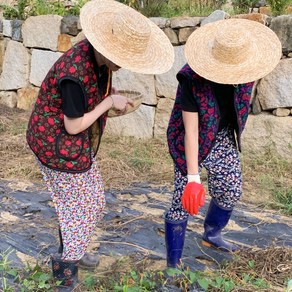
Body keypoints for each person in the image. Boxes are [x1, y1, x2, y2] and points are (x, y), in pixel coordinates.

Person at [26, 0, 174, 289]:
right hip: (56, 144)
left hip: (74, 145)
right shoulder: (74, 71)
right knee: (79, 207)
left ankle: (73, 248)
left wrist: (109, 93)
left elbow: (89, 97)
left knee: (91, 202)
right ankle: (65, 270)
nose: (124, 64)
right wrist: (107, 102)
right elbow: (73, 125)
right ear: (106, 47)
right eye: (123, 58)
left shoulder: (98, 60)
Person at [165, 18, 282, 268]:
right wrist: (193, 178)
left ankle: (212, 233)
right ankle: (173, 265)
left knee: (231, 189)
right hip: (190, 139)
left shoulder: (247, 69)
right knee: (181, 200)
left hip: (222, 137)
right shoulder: (191, 80)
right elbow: (191, 131)